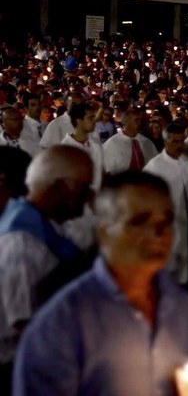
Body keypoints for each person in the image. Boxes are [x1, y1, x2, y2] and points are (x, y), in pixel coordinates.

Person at [13, 171, 188, 396]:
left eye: (166, 221)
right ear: (103, 232)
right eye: (139, 221)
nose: (158, 233)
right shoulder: (62, 322)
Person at [0, 146, 93, 392]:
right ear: (63, 186)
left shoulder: (48, 227)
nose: (88, 198)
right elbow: (26, 328)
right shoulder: (21, 244)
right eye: (84, 189)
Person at [143, 122, 188, 284]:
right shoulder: (154, 168)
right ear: (165, 142)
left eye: (181, 141)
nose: (179, 145)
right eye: (175, 142)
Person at [102, 107, 158, 173]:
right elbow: (106, 170)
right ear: (125, 122)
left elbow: (156, 166)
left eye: (140, 120)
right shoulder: (111, 144)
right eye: (136, 120)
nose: (139, 123)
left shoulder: (147, 143)